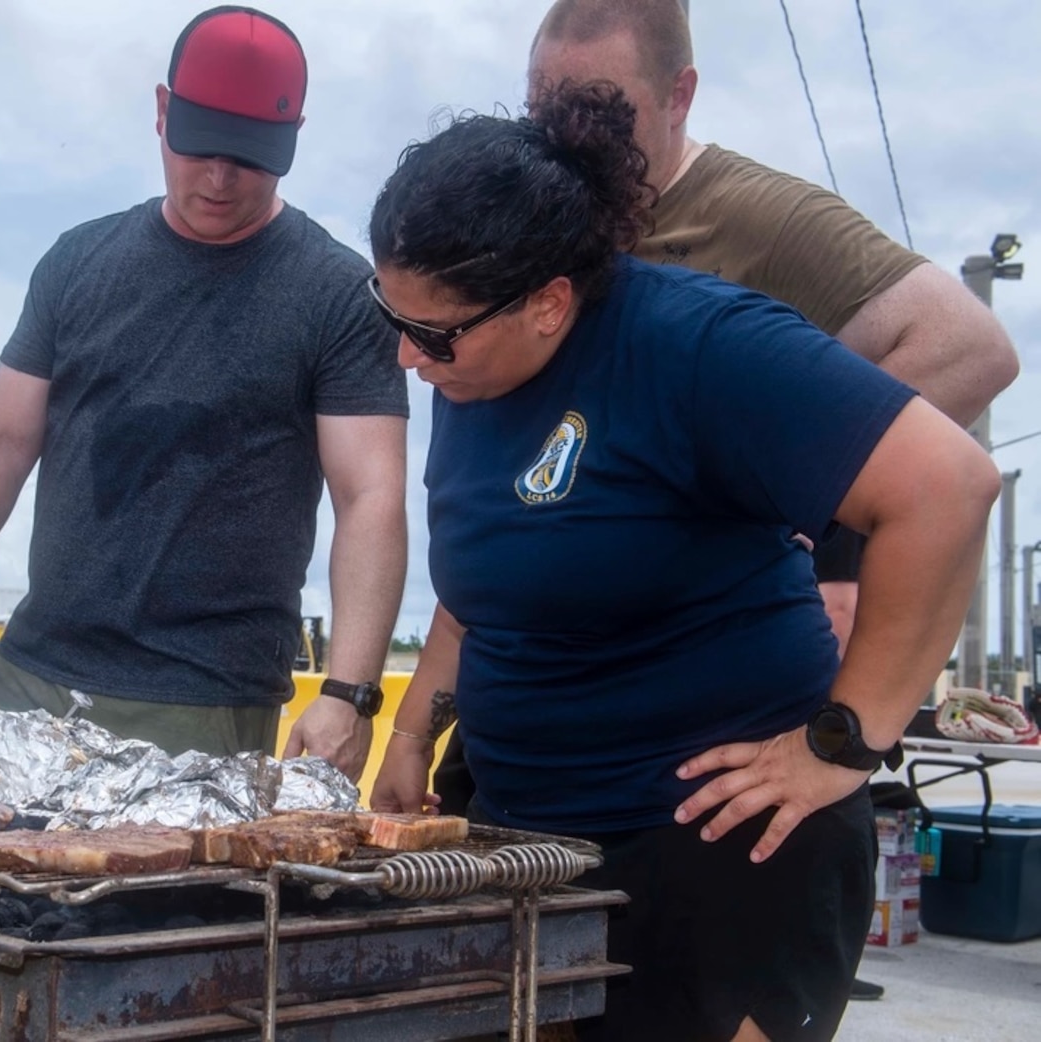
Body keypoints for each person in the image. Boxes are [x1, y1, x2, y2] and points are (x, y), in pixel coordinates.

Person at [367, 80, 998, 1042]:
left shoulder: (700, 345)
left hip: (713, 851)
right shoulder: (473, 376)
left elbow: (947, 488)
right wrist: (412, 737)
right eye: (392, 318)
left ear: (547, 303)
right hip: (524, 839)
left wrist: (846, 740)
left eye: (432, 333)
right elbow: (486, 586)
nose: (409, 359)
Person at [432, 0, 1019, 821]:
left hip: (697, 763)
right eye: (545, 109)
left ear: (680, 96)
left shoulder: (760, 219)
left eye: (602, 112)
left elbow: (970, 349)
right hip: (537, 731)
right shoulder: (528, 229)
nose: (567, 140)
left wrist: (791, 476)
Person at [0, 6, 408, 779]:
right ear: (163, 110)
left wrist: (347, 691)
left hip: (203, 700)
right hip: (31, 674)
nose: (218, 177)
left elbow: (369, 494)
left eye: (248, 156)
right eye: (199, 145)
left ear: (294, 136)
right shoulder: (78, 262)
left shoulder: (336, 294)